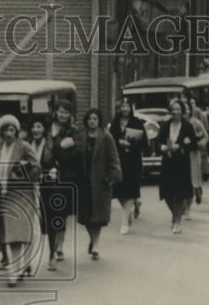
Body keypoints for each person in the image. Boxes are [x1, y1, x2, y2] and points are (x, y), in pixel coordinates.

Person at [0, 114, 40, 287]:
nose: (8, 133)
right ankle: (17, 268)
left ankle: (15, 271)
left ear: (16, 131)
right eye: (5, 129)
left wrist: (22, 175)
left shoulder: (24, 147)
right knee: (8, 235)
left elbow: (37, 168)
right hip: (2, 195)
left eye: (11, 129)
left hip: (21, 195)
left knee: (16, 235)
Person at [76, 108, 122, 260]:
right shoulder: (80, 136)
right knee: (86, 216)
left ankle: (95, 245)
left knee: (99, 216)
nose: (92, 121)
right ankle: (92, 238)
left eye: (95, 119)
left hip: (101, 181)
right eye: (89, 118)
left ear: (99, 120)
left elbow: (114, 158)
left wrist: (115, 176)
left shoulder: (106, 137)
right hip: (84, 181)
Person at [23, 117, 60, 271]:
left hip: (48, 188)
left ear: (44, 129)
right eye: (33, 126)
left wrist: (56, 171)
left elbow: (59, 162)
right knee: (29, 224)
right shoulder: (25, 145)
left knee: (50, 224)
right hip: (29, 188)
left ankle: (52, 255)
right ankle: (27, 260)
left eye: (38, 126)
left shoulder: (52, 145)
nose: (35, 129)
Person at [48, 100, 82, 264]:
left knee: (60, 213)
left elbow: (73, 154)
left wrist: (61, 150)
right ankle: (54, 247)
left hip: (65, 176)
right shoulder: (46, 128)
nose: (62, 115)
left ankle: (57, 248)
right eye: (60, 111)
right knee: (50, 215)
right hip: (46, 176)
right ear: (55, 112)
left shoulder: (73, 131)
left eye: (66, 112)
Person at [108, 98, 146, 235]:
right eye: (122, 106)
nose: (125, 109)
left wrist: (132, 145)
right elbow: (109, 142)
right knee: (118, 190)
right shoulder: (113, 124)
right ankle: (129, 208)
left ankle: (124, 220)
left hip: (133, 161)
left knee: (131, 189)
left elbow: (144, 144)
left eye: (127, 106)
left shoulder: (137, 123)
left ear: (131, 108)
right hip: (118, 161)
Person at [157, 100, 197, 234]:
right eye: (173, 109)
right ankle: (175, 215)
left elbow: (193, 143)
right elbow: (158, 141)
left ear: (182, 111)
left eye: (178, 109)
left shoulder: (187, 126)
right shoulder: (165, 125)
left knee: (180, 194)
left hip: (181, 164)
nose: (175, 112)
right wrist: (162, 147)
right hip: (168, 163)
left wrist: (180, 146)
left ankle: (177, 222)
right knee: (167, 193)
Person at [180, 99, 209, 216]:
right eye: (184, 109)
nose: (186, 112)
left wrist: (200, 143)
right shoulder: (177, 123)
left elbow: (206, 136)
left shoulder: (196, 123)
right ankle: (183, 205)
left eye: (188, 109)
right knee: (182, 181)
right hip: (180, 155)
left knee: (192, 181)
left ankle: (188, 208)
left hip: (193, 155)